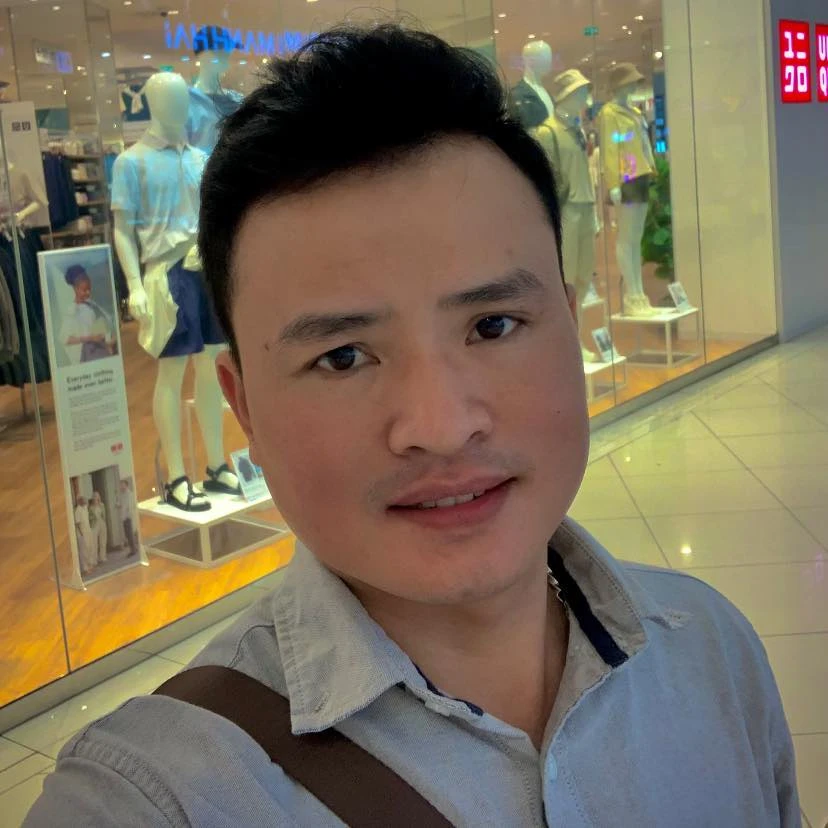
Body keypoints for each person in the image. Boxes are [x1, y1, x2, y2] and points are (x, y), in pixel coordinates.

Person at [26, 25, 799, 826]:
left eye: (493, 325)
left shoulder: (712, 653)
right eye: (343, 357)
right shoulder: (154, 797)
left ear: (570, 326)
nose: (441, 425)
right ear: (243, 405)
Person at [60, 265, 117, 365]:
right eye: (84, 290)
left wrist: (112, 339)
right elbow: (65, 338)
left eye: (89, 289)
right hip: (91, 355)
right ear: (75, 289)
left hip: (105, 347)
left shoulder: (91, 303)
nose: (88, 292)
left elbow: (107, 321)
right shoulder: (72, 310)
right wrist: (91, 338)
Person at [72, 495, 96, 575]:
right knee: (83, 551)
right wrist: (81, 533)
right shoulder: (77, 510)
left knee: (89, 547)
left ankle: (90, 565)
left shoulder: (85, 508)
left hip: (88, 531)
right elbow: (77, 523)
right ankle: (85, 568)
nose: (85, 501)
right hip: (82, 533)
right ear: (79, 501)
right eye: (83, 500)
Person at [117, 479, 138, 558]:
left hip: (129, 517)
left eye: (122, 485)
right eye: (120, 485)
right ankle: (134, 548)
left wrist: (128, 515)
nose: (121, 486)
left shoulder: (129, 494)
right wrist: (118, 505)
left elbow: (130, 506)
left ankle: (133, 550)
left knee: (130, 534)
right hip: (124, 517)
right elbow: (120, 504)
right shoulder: (122, 495)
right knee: (127, 534)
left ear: (126, 485)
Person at [89, 492, 108, 564]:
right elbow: (89, 517)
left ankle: (102, 557)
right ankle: (94, 559)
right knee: (94, 542)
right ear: (93, 498)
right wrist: (93, 519)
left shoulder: (102, 505)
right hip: (95, 524)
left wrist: (104, 521)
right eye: (94, 496)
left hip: (102, 523)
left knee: (103, 540)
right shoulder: (91, 507)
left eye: (97, 496)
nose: (96, 497)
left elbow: (104, 514)